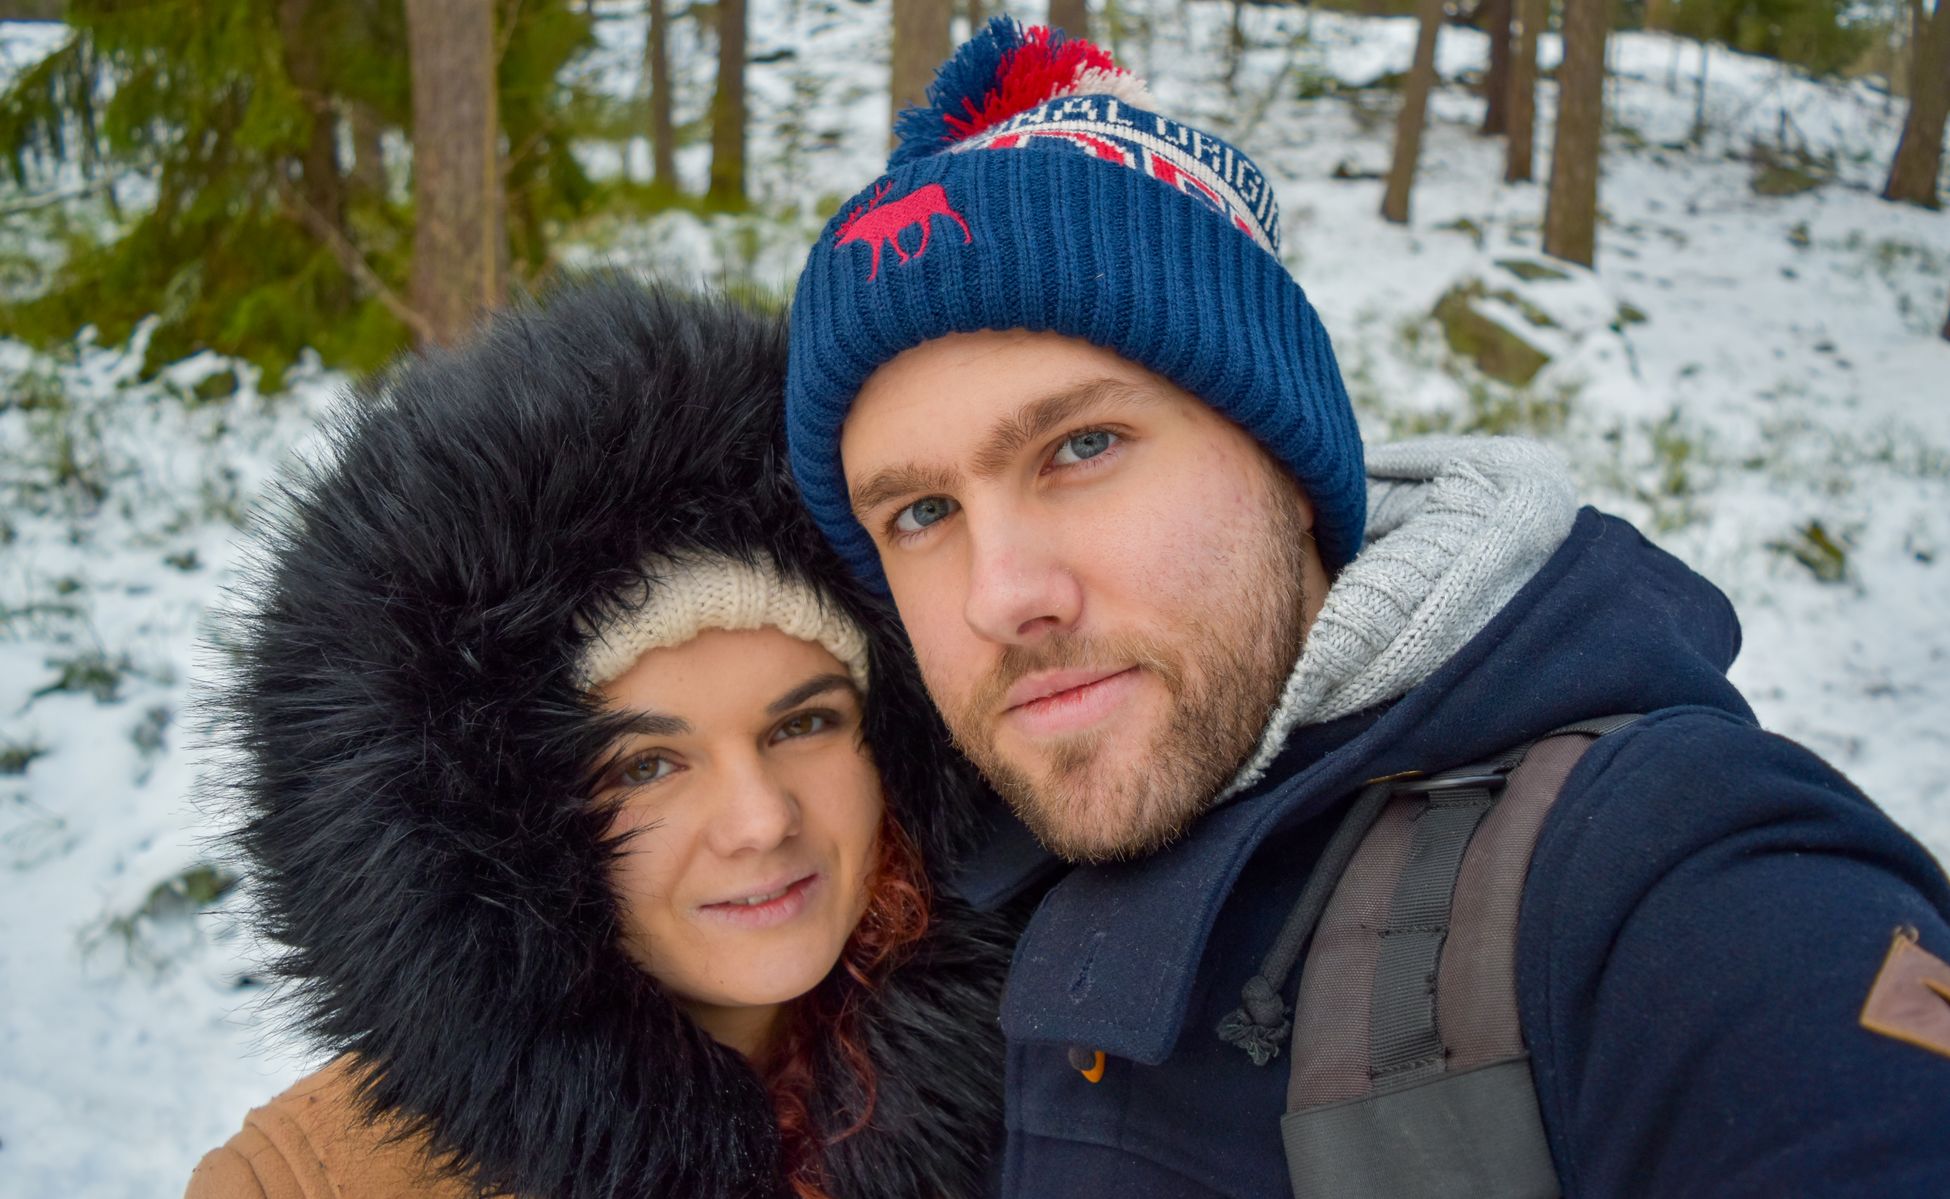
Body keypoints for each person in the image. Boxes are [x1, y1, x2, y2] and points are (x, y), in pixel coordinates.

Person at [782, 18, 1950, 1198]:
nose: (1003, 596)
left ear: (1289, 468)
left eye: (1083, 445)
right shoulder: (873, 893)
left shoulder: (1648, 872)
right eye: (920, 513)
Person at [186, 281, 1008, 1199]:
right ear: (494, 839)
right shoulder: (303, 1185)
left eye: (804, 723)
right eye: (647, 765)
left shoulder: (1061, 1082)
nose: (761, 819)